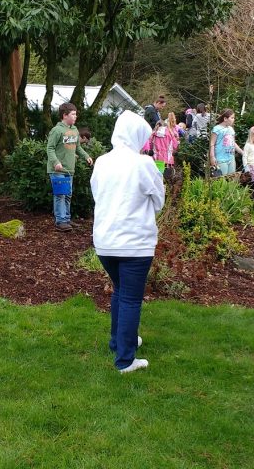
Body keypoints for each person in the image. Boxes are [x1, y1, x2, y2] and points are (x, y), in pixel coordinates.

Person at [91, 111, 165, 374]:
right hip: (135, 243)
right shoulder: (143, 164)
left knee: (121, 292)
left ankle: (119, 341)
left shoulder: (101, 162)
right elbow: (159, 200)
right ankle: (125, 360)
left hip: (105, 242)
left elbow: (97, 195)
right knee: (131, 298)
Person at [46, 102, 94, 232]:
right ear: (64, 115)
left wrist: (86, 156)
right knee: (60, 194)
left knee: (67, 195)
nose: (75, 116)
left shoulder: (74, 130)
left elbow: (77, 147)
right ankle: (60, 221)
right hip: (57, 170)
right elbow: (50, 148)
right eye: (73, 114)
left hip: (69, 169)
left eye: (76, 114)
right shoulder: (57, 130)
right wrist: (56, 162)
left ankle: (66, 219)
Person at [143, 112, 179, 179]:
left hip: (156, 158)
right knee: (166, 179)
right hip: (168, 160)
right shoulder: (170, 134)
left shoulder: (153, 134)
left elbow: (150, 145)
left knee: (157, 177)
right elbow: (175, 145)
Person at [209, 109, 243, 177]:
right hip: (221, 159)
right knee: (221, 180)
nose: (234, 119)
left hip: (231, 158)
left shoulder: (231, 129)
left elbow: (233, 142)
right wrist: (212, 157)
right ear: (225, 118)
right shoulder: (216, 129)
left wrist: (242, 152)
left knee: (232, 178)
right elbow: (212, 143)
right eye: (232, 118)